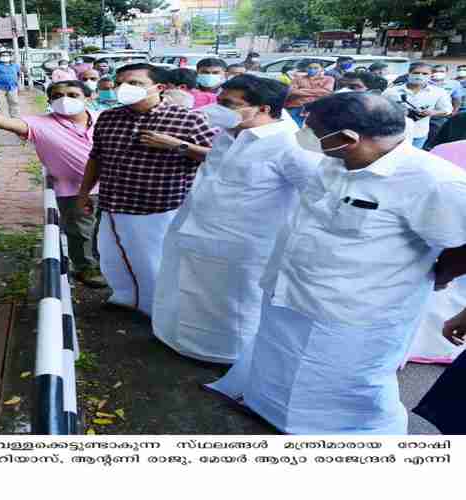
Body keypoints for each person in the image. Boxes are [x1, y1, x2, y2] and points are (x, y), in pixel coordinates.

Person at [207, 92, 466, 434]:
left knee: (344, 385)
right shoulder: (334, 159)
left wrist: (440, 275)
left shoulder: (434, 182)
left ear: (348, 139)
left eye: (311, 129)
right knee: (279, 362)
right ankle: (271, 414)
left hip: (355, 310)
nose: (302, 133)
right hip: (291, 291)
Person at [151, 75, 320, 363]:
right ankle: (181, 342)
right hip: (193, 232)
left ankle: (229, 359)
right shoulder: (229, 132)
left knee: (231, 308)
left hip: (242, 249)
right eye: (219, 101)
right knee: (184, 294)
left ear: (264, 108)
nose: (218, 108)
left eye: (229, 104)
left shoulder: (293, 145)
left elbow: (318, 196)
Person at [75, 63, 215, 316]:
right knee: (113, 258)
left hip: (159, 209)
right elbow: (96, 158)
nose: (123, 88)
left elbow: (220, 157)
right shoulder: (109, 117)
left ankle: (159, 312)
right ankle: (126, 298)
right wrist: (84, 193)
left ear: (159, 88)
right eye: (120, 83)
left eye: (134, 83)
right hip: (113, 203)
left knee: (155, 264)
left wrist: (178, 145)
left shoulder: (189, 118)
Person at [0, 81, 107, 288]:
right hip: (73, 191)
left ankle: (110, 265)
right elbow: (4, 122)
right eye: (58, 95)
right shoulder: (38, 124)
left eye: (72, 94)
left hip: (114, 187)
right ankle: (85, 267)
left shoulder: (105, 119)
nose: (65, 99)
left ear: (88, 98)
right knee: (80, 233)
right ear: (50, 101)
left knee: (109, 231)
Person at [382, 62, 452, 149]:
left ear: (430, 75)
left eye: (425, 74)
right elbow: (379, 108)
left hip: (418, 134)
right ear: (409, 73)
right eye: (416, 73)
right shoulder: (391, 91)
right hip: (393, 133)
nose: (420, 76)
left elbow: (447, 110)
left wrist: (432, 112)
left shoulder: (439, 92)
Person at [284, 62, 334, 126]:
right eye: (310, 68)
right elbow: (292, 91)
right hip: (296, 106)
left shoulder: (328, 79)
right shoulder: (298, 78)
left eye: (316, 68)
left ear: (322, 69)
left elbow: (326, 92)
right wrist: (317, 92)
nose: (312, 70)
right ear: (306, 69)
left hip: (316, 108)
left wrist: (302, 90)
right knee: (294, 127)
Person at [427, 66, 462, 147]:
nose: (438, 73)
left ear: (446, 72)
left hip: (441, 114)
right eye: (435, 71)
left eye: (441, 71)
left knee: (437, 134)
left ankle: (431, 148)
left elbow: (456, 99)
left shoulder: (454, 84)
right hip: (423, 113)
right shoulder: (425, 82)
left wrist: (454, 111)